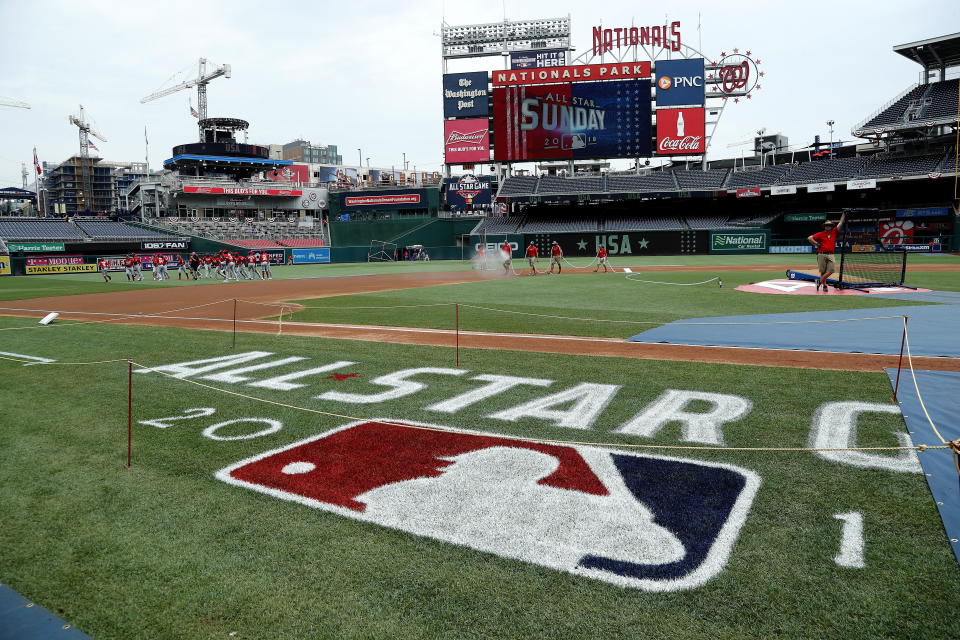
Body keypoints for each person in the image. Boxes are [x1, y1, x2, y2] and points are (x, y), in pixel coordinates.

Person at [807, 212, 847, 291]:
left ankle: (820, 281)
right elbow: (809, 238)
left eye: (829, 225)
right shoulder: (821, 234)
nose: (828, 226)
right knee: (823, 271)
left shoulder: (834, 231)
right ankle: (824, 285)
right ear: (824, 226)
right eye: (826, 225)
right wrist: (816, 244)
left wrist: (844, 214)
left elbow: (841, 222)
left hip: (831, 254)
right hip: (821, 254)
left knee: (832, 270)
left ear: (831, 226)